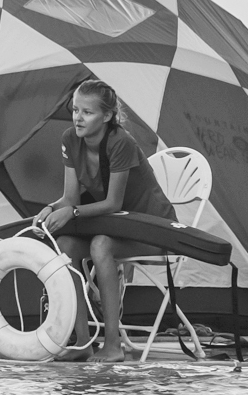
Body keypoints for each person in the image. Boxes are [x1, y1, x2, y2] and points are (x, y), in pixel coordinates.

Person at [36, 78, 176, 361]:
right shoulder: (70, 139)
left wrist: (72, 213)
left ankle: (113, 344)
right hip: (116, 227)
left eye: (87, 112)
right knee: (65, 245)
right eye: (75, 110)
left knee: (101, 244)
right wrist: (50, 209)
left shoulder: (121, 142)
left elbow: (113, 203)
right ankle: (83, 342)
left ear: (107, 116)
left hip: (153, 228)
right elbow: (70, 198)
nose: (78, 118)